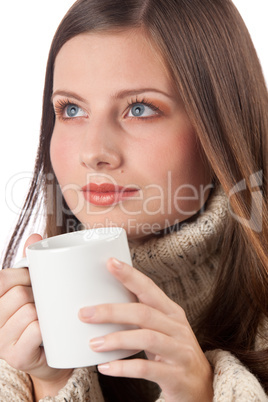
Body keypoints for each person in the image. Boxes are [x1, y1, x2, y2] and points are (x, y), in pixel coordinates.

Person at [1, 0, 268, 400]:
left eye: (139, 108)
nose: (94, 152)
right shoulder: (16, 343)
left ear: (220, 123)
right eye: (71, 109)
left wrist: (201, 394)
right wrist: (51, 383)